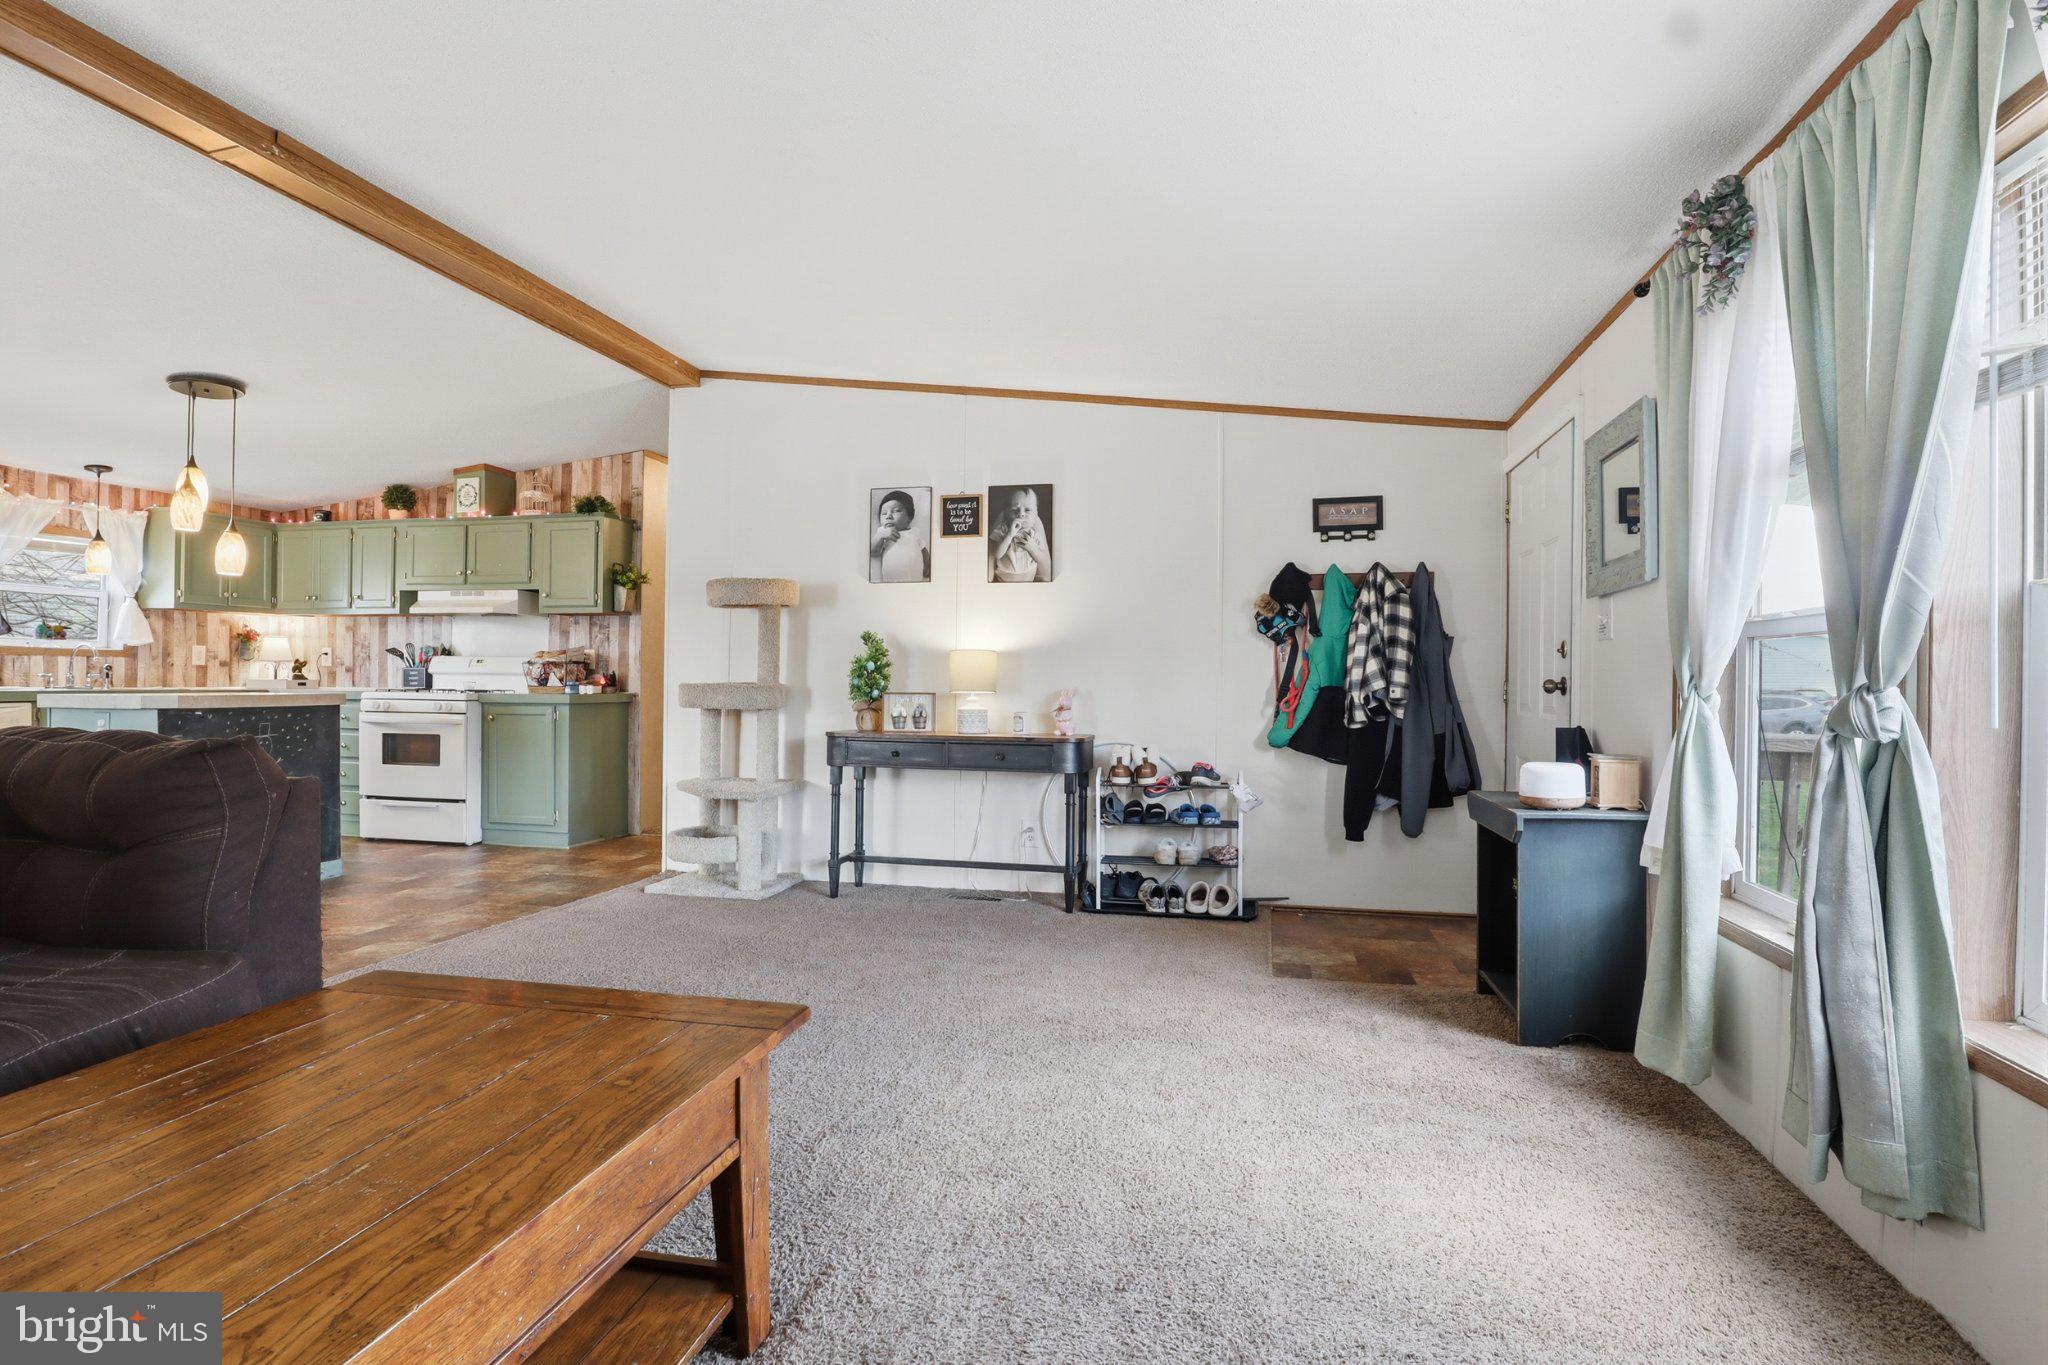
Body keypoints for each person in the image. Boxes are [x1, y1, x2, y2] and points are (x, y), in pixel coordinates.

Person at [989, 486, 1052, 583]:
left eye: (1027, 510)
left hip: (1029, 576)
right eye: (1014, 510)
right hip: (1005, 578)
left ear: (1036, 514)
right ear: (1006, 513)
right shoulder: (1002, 530)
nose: (1021, 514)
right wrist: (1009, 535)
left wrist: (1033, 549)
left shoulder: (1034, 534)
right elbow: (997, 555)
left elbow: (1042, 559)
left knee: (1044, 580)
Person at [870, 489, 929, 582]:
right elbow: (873, 552)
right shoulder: (883, 533)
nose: (888, 516)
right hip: (892, 582)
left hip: (915, 579)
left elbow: (924, 551)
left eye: (896, 511)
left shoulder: (914, 532)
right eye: (884, 513)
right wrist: (880, 536)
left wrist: (928, 566)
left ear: (909, 518)